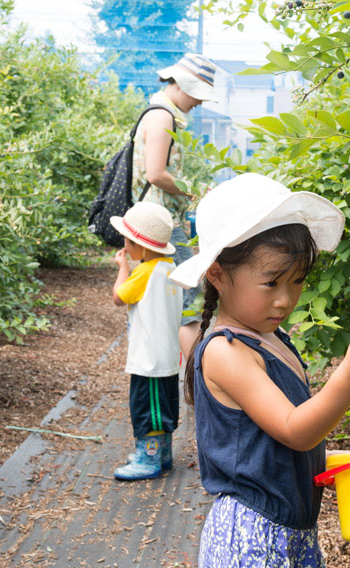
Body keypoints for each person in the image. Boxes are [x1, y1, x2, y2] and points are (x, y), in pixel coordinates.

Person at [168, 173, 350, 568]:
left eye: (297, 281)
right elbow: (296, 428)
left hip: (292, 533)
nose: (286, 299)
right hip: (252, 540)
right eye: (271, 282)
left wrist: (327, 462)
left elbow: (277, 438)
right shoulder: (225, 352)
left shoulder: (272, 340)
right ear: (218, 275)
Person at [133, 53, 218, 360]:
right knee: (190, 295)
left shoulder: (163, 113)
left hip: (159, 220)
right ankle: (195, 382)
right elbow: (155, 173)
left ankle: (177, 369)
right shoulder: (162, 116)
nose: (199, 103)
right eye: (198, 95)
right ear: (184, 85)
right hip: (160, 222)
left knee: (170, 295)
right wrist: (193, 191)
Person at [109, 202, 183, 480]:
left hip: (149, 358)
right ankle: (161, 454)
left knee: (147, 409)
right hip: (166, 356)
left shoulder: (145, 271)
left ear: (139, 245)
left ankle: (148, 459)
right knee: (162, 405)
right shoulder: (169, 267)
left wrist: (122, 267)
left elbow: (119, 297)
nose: (124, 246)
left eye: (127, 241)